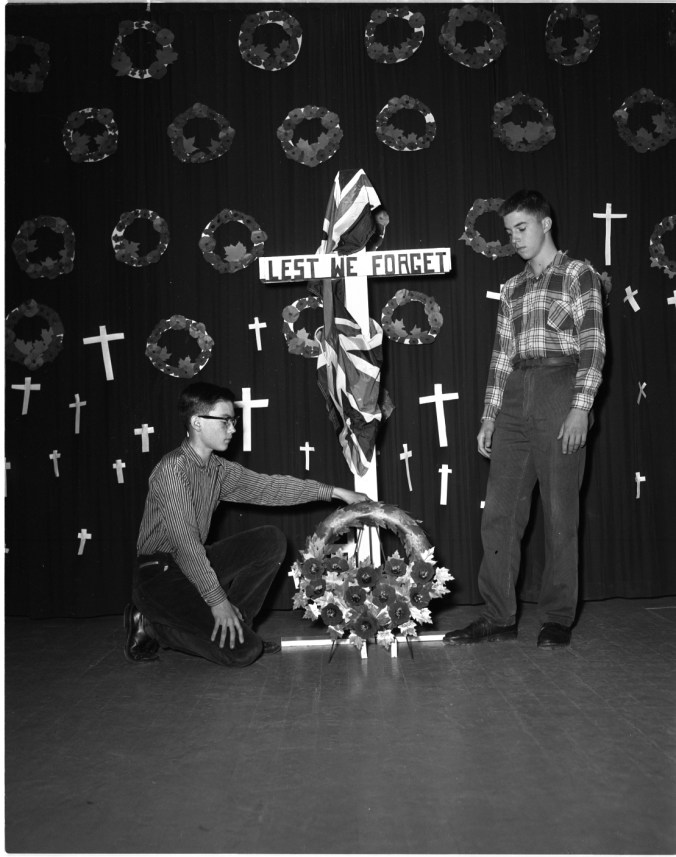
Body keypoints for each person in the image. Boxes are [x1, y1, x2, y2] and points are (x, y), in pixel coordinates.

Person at [444, 190, 605, 649]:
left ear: (545, 223)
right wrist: (489, 417)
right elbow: (501, 357)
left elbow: (593, 345)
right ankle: (498, 615)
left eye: (522, 228)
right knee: (499, 512)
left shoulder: (578, 274)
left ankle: (556, 617)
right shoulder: (512, 288)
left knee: (559, 514)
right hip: (516, 394)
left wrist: (580, 407)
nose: (514, 238)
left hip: (561, 388)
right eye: (509, 231)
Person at [125, 381, 368, 667]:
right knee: (244, 652)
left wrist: (335, 492)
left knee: (270, 540)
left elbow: (270, 488)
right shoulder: (172, 471)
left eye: (234, 421)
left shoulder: (218, 470)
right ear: (197, 422)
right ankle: (151, 624)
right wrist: (218, 602)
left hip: (192, 566)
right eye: (225, 421)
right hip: (159, 574)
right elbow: (186, 545)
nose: (232, 429)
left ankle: (241, 627)